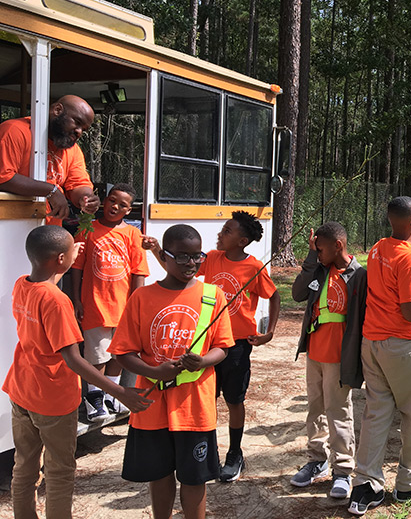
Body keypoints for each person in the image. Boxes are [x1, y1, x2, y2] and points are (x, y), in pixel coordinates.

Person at [2, 225, 151, 519]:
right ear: (60, 259)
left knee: (24, 467)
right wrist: (120, 391)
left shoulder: (23, 284)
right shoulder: (57, 301)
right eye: (73, 251)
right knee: (59, 471)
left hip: (21, 389)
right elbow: (71, 358)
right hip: (52, 399)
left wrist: (67, 253)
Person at [143, 212, 280, 483]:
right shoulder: (213, 258)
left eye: (227, 231)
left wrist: (270, 332)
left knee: (234, 400)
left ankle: (235, 452)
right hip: (208, 344)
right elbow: (178, 266)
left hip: (237, 345)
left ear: (241, 241)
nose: (220, 233)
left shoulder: (254, 268)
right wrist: (159, 249)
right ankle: (208, 452)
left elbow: (274, 295)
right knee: (207, 399)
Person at [109, 224, 235, 519]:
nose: (191, 263)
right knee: (160, 473)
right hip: (152, 407)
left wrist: (203, 361)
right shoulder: (141, 297)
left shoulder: (213, 295)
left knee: (194, 477)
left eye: (197, 256)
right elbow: (123, 352)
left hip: (195, 408)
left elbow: (223, 347)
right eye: (181, 256)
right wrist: (154, 370)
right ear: (164, 256)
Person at [347, 196, 411, 516]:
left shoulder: (378, 248)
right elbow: (410, 310)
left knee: (376, 413)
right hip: (405, 346)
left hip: (372, 342)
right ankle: (409, 485)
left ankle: (365, 485)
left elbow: (399, 268)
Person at [291, 221, 367, 499]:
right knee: (315, 408)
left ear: (339, 246)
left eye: (320, 248)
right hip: (315, 353)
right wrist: (311, 259)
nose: (316, 252)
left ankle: (343, 469)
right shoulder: (319, 269)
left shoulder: (358, 276)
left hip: (339, 356)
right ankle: (316, 460)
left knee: (339, 412)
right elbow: (298, 294)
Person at [69, 183, 150, 422]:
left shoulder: (133, 234)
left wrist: (136, 307)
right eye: (112, 200)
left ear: (129, 210)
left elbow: (138, 272)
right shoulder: (88, 228)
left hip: (123, 307)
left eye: (122, 205)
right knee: (97, 356)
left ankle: (110, 393)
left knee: (119, 354)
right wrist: (76, 299)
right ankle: (93, 396)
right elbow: (77, 267)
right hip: (94, 305)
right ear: (104, 201)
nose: (115, 206)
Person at [0, 95, 100, 224]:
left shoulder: (73, 150)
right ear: (57, 110)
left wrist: (87, 199)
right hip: (11, 227)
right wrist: (51, 191)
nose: (79, 132)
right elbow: (3, 177)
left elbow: (78, 184)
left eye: (84, 129)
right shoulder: (15, 131)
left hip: (48, 233)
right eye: (77, 122)